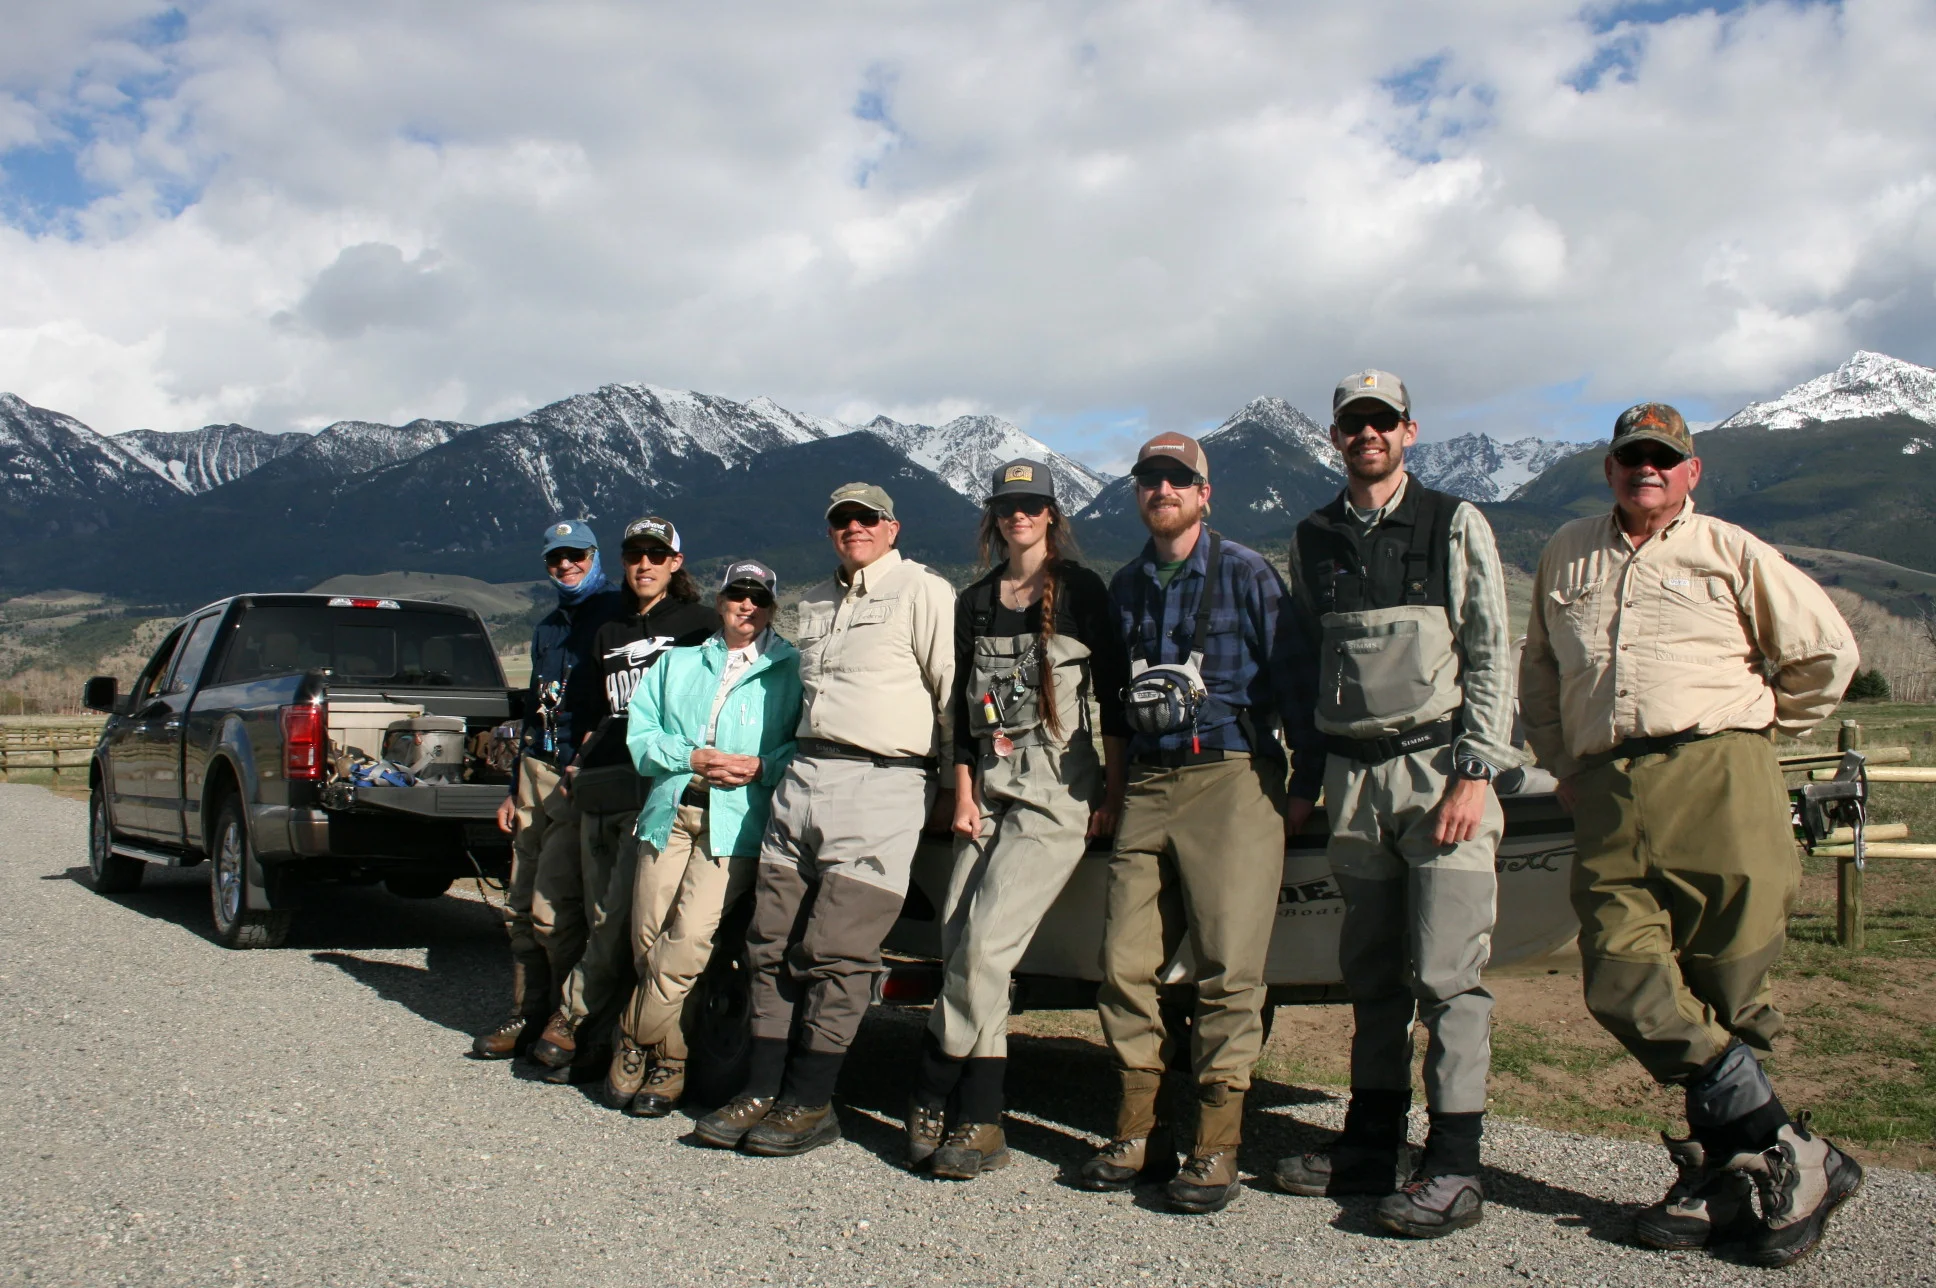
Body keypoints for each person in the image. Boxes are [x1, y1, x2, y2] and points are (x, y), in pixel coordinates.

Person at [1520, 403, 1859, 1268]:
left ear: (1691, 471)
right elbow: (1541, 674)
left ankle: (1731, 1178)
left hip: (1719, 773)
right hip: (1604, 785)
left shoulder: (1732, 550)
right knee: (1621, 978)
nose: (1648, 470)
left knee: (1728, 989)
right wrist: (1561, 760)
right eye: (1634, 456)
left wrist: (1759, 734)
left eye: (1665, 459)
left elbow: (1826, 651)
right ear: (1610, 468)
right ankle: (1794, 1147)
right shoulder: (1567, 551)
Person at [1275, 370, 1520, 1238]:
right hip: (1352, 782)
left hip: (1439, 775)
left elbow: (1491, 649)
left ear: (1409, 432)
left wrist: (1476, 771)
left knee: (1449, 976)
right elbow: (1303, 671)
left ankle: (1454, 1164)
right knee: (1372, 978)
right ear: (1335, 436)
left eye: (1382, 422)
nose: (1367, 435)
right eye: (1353, 424)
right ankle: (1370, 1145)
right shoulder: (1311, 539)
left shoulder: (1455, 523)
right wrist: (1306, 780)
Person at [693, 482, 954, 1157]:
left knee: (836, 952)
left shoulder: (924, 593)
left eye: (868, 518)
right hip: (802, 779)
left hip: (882, 781)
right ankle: (761, 1088)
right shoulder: (815, 603)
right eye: (842, 519)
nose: (855, 528)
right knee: (768, 941)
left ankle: (811, 1102)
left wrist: (959, 784)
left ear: (892, 528)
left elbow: (953, 693)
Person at [1079, 433, 1300, 1216]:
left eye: (1178, 479)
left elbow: (1289, 680)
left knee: (1228, 971)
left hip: (1230, 778)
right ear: (1138, 495)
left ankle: (1215, 1143)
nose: (1162, 489)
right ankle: (1138, 1129)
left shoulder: (1245, 572)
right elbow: (1109, 700)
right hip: (1147, 780)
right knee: (1122, 964)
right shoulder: (1128, 584)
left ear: (1205, 494)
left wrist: (1301, 782)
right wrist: (1110, 786)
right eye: (1150, 479)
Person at [903, 458, 1131, 1179]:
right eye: (1007, 506)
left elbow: (1117, 703)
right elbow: (964, 721)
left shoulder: (1084, 592)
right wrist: (964, 794)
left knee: (987, 949)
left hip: (1056, 796)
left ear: (1052, 514)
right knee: (959, 942)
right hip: (989, 793)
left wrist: (1113, 795)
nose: (1019, 516)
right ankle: (983, 1119)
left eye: (1032, 505)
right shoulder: (974, 602)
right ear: (993, 518)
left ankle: (934, 1087)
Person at [600, 559, 802, 1117]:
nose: (747, 606)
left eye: (759, 598)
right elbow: (641, 737)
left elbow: (798, 748)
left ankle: (631, 1034)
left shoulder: (791, 669)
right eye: (738, 594)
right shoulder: (678, 662)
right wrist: (688, 757)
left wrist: (761, 766)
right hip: (671, 811)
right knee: (648, 940)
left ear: (771, 607)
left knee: (688, 941)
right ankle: (670, 1057)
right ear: (720, 600)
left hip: (734, 823)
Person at [528, 516, 717, 1080]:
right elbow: (589, 710)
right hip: (604, 780)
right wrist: (574, 764)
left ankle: (579, 1016)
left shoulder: (700, 625)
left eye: (657, 555)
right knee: (596, 914)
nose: (645, 564)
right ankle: (602, 1039)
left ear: (675, 563)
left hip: (660, 786)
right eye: (635, 554)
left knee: (625, 917)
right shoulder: (607, 629)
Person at [470, 520, 624, 1059]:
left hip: (586, 774)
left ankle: (572, 1017)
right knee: (519, 901)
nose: (566, 566)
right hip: (538, 768)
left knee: (558, 906)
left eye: (575, 555)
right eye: (555, 559)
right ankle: (526, 1014)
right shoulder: (547, 629)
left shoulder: (617, 613)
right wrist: (514, 787)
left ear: (594, 554)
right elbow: (537, 713)